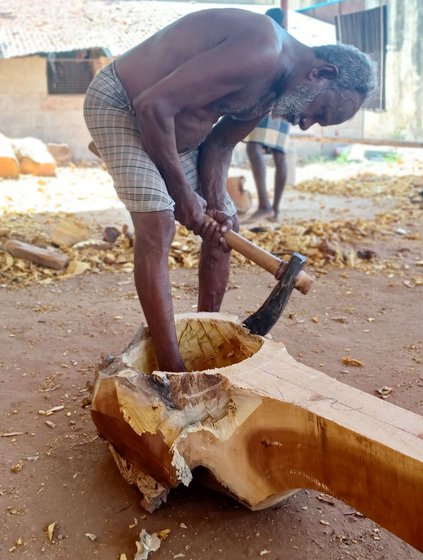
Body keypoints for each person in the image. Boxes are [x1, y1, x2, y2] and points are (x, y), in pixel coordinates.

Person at [83, 8, 376, 373]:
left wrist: (216, 200)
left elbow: (220, 145)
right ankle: (173, 370)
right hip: (122, 106)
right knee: (158, 223)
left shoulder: (277, 88)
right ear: (321, 73)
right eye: (319, 111)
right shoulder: (261, 52)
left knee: (226, 228)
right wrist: (184, 196)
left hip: (169, 135)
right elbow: (152, 105)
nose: (304, 124)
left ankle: (204, 339)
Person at [244, 8, 291, 222]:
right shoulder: (272, 39)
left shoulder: (282, 41)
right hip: (270, 99)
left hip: (277, 99)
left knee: (271, 152)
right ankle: (270, 208)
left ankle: (269, 208)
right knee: (264, 150)